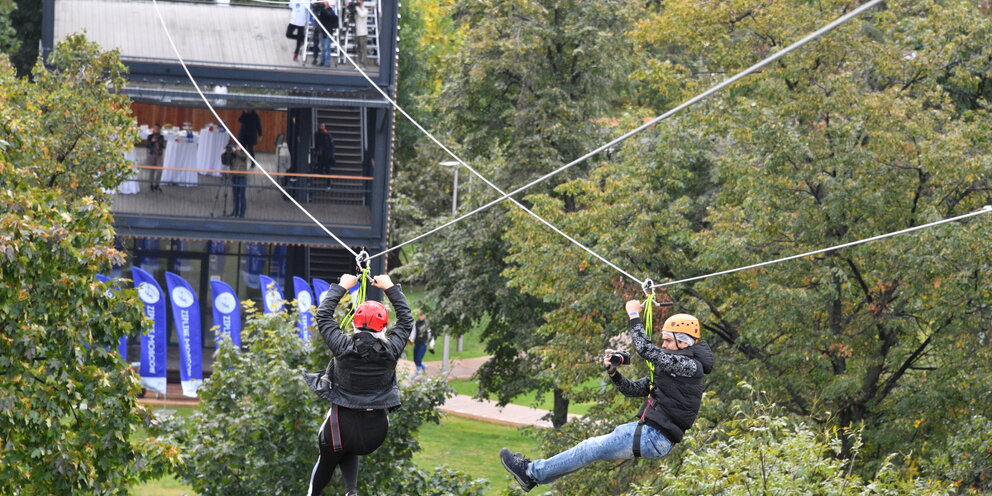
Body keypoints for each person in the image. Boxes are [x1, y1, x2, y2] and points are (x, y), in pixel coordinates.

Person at [499, 302, 715, 492]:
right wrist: (613, 372)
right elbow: (632, 389)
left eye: (668, 341)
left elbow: (645, 349)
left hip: (654, 436)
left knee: (589, 449)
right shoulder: (674, 370)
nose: (664, 345)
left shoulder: (690, 366)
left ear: (684, 343)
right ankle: (533, 475)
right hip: (651, 435)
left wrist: (633, 315)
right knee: (588, 452)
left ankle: (530, 472)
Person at [308, 273, 413, 496]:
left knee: (328, 457)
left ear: (355, 321)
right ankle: (351, 491)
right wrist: (390, 288)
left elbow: (324, 316)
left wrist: (342, 286)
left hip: (340, 429)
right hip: (374, 433)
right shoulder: (392, 349)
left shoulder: (342, 345)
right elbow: (406, 320)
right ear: (384, 325)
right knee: (350, 443)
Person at [223, 141, 249, 218]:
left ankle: (242, 214)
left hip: (241, 176)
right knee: (235, 196)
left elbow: (243, 157)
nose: (237, 147)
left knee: (241, 196)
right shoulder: (233, 154)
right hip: (234, 176)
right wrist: (224, 154)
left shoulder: (243, 153)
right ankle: (235, 212)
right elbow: (225, 162)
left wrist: (236, 151)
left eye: (238, 146)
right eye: (236, 146)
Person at [313, 1, 339, 67]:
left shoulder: (331, 11)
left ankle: (327, 62)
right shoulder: (320, 11)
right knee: (322, 48)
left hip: (328, 31)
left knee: (327, 48)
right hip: (321, 31)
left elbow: (334, 19)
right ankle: (322, 61)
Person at [146, 124, 165, 192]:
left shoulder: (161, 137)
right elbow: (147, 146)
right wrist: (152, 141)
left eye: (157, 129)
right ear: (153, 129)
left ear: (160, 130)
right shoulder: (149, 136)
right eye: (155, 129)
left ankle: (157, 184)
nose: (156, 130)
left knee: (159, 170)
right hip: (152, 154)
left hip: (159, 155)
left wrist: (158, 141)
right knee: (152, 170)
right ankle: (151, 184)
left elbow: (163, 146)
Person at [353, 1, 369, 66]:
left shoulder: (365, 10)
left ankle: (363, 64)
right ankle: (359, 63)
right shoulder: (357, 11)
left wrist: (357, 7)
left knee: (363, 49)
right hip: (357, 32)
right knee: (358, 49)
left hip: (363, 33)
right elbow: (355, 18)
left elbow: (362, 15)